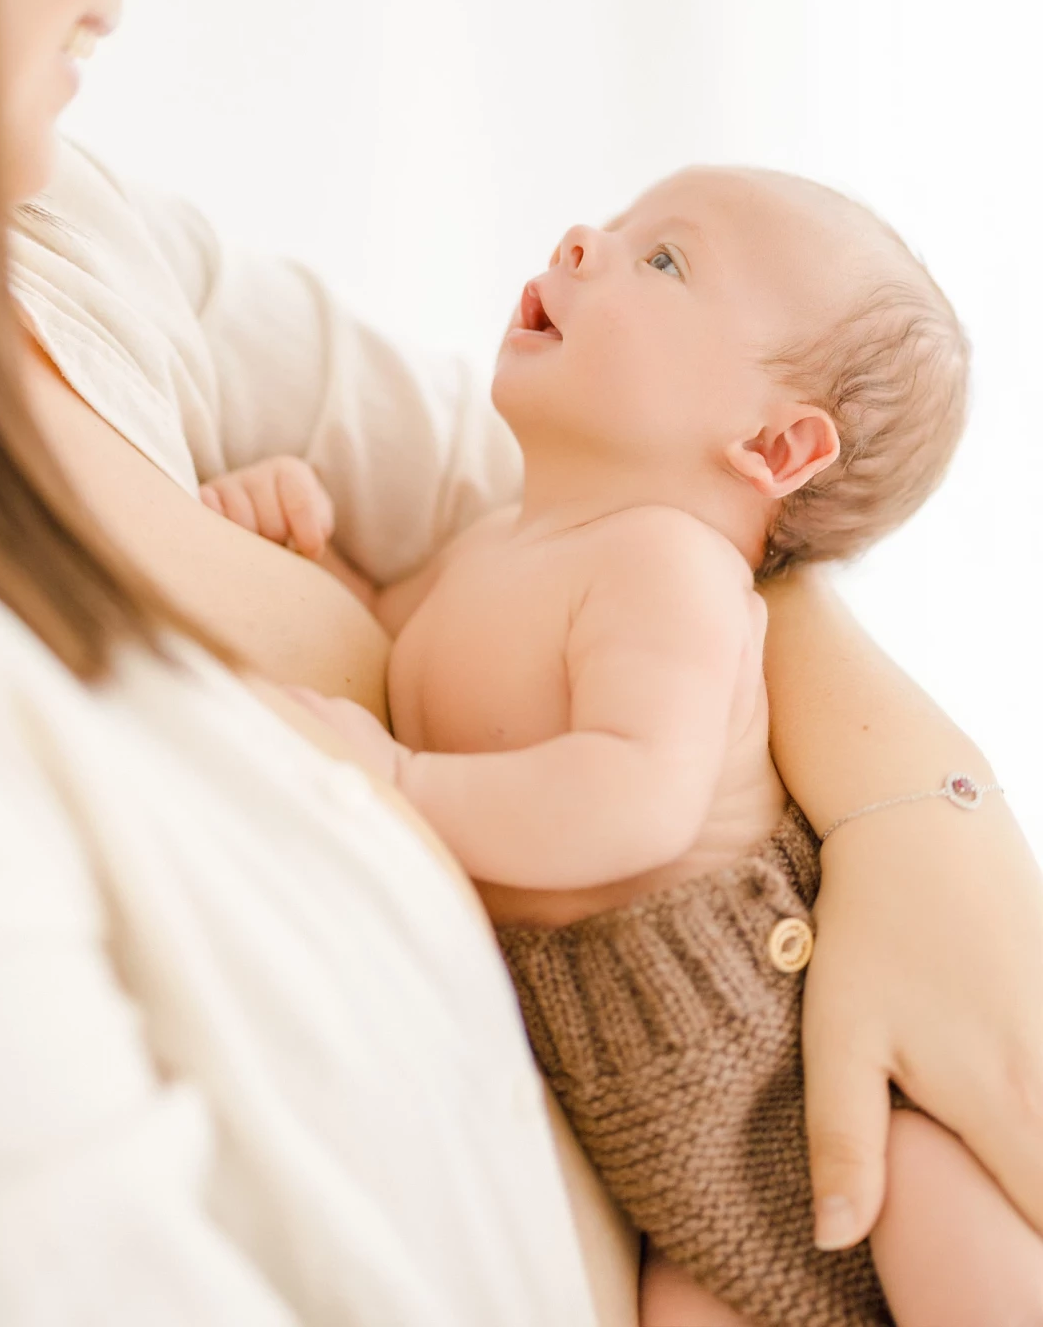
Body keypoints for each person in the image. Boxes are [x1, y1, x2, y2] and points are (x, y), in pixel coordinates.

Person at [0, 0, 1042, 1324]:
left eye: (660, 256)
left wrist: (918, 805)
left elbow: (622, 516)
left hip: (766, 1087)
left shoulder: (56, 232)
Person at [251, 167, 1041, 1325]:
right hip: (676, 1186)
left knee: (929, 1192)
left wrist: (400, 784)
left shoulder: (667, 569)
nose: (583, 240)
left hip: (801, 1094)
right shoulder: (487, 551)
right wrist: (292, 542)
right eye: (616, 226)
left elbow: (634, 798)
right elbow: (373, 654)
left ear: (775, 445)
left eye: (664, 260)